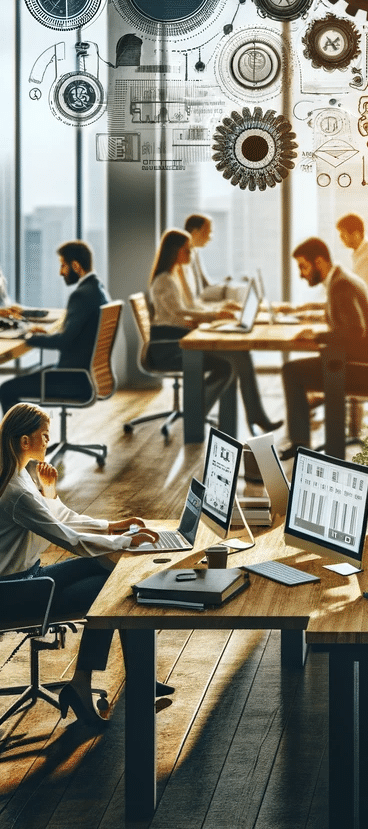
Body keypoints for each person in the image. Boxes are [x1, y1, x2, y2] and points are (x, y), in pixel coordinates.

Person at [0, 403, 161, 730]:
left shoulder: (18, 476)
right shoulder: (16, 491)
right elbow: (70, 539)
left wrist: (113, 527)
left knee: (111, 573)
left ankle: (136, 678)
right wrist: (126, 542)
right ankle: (82, 683)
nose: (48, 442)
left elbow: (59, 518)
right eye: (44, 436)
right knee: (111, 594)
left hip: (29, 579)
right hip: (18, 592)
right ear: (24, 441)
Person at [148, 229, 281, 433]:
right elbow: (180, 313)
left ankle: (256, 415)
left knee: (241, 354)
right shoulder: (164, 280)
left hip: (180, 337)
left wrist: (218, 311)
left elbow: (190, 308)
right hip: (169, 345)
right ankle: (195, 415)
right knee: (227, 365)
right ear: (175, 251)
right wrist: (214, 316)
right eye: (187, 250)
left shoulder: (173, 277)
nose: (191, 254)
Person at [279, 237, 368, 459]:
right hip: (363, 364)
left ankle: (300, 444)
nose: (301, 274)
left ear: (319, 262)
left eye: (303, 266)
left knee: (291, 372)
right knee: (296, 370)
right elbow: (345, 320)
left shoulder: (341, 285)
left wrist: (318, 336)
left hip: (363, 371)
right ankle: (301, 441)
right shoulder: (340, 279)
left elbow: (356, 330)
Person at [0, 241, 108, 413]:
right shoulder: (96, 289)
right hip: (82, 376)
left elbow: (63, 341)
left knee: (6, 389)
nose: (61, 272)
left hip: (71, 380)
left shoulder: (81, 295)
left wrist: (28, 338)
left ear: (75, 266)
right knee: (28, 376)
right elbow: (73, 335)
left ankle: (16, 438)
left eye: (63, 266)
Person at [183, 213, 245, 303]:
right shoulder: (183, 256)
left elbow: (205, 284)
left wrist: (223, 284)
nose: (210, 237)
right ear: (195, 232)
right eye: (208, 232)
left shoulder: (195, 252)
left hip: (200, 302)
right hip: (193, 304)